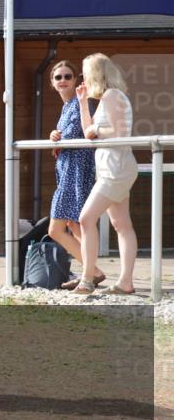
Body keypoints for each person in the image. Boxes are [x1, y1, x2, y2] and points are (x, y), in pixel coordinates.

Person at [73, 53, 138, 295]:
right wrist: (82, 103)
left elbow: (119, 132)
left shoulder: (112, 95)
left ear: (95, 74)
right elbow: (87, 132)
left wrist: (96, 129)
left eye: (84, 73)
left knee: (85, 219)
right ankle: (125, 282)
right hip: (111, 167)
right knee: (121, 224)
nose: (83, 78)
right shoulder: (105, 99)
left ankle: (87, 279)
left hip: (116, 168)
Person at [44, 61, 103, 289]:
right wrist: (54, 135)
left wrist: (59, 139)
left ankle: (92, 271)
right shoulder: (66, 106)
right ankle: (91, 271)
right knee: (74, 223)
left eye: (67, 76)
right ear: (52, 82)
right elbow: (65, 136)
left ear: (75, 79)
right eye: (58, 77)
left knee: (57, 229)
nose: (63, 80)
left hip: (76, 171)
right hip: (67, 169)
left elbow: (77, 134)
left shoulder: (80, 103)